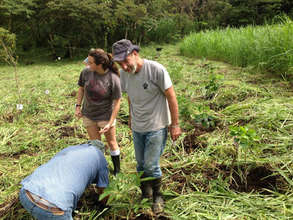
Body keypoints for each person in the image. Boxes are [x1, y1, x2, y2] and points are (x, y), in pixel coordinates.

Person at [112, 39, 182, 214]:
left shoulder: (156, 70)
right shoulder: (124, 75)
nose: (124, 67)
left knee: (151, 165)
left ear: (134, 54)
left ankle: (158, 195)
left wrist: (175, 124)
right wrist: (130, 116)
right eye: (120, 64)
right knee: (141, 164)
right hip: (138, 126)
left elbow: (171, 97)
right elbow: (130, 96)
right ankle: (146, 193)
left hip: (157, 125)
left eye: (126, 62)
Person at [19, 140, 109, 220]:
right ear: (102, 151)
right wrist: (102, 207)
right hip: (53, 210)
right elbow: (104, 191)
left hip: (26, 193)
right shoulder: (100, 157)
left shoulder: (71, 149)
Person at [75, 48, 122, 175]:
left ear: (99, 64)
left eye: (90, 62)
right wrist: (78, 106)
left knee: (112, 143)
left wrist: (110, 122)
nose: (87, 64)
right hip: (89, 115)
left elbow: (117, 102)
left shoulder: (113, 78)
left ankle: (117, 170)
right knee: (96, 145)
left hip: (105, 117)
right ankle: (101, 169)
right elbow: (81, 89)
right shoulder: (85, 73)